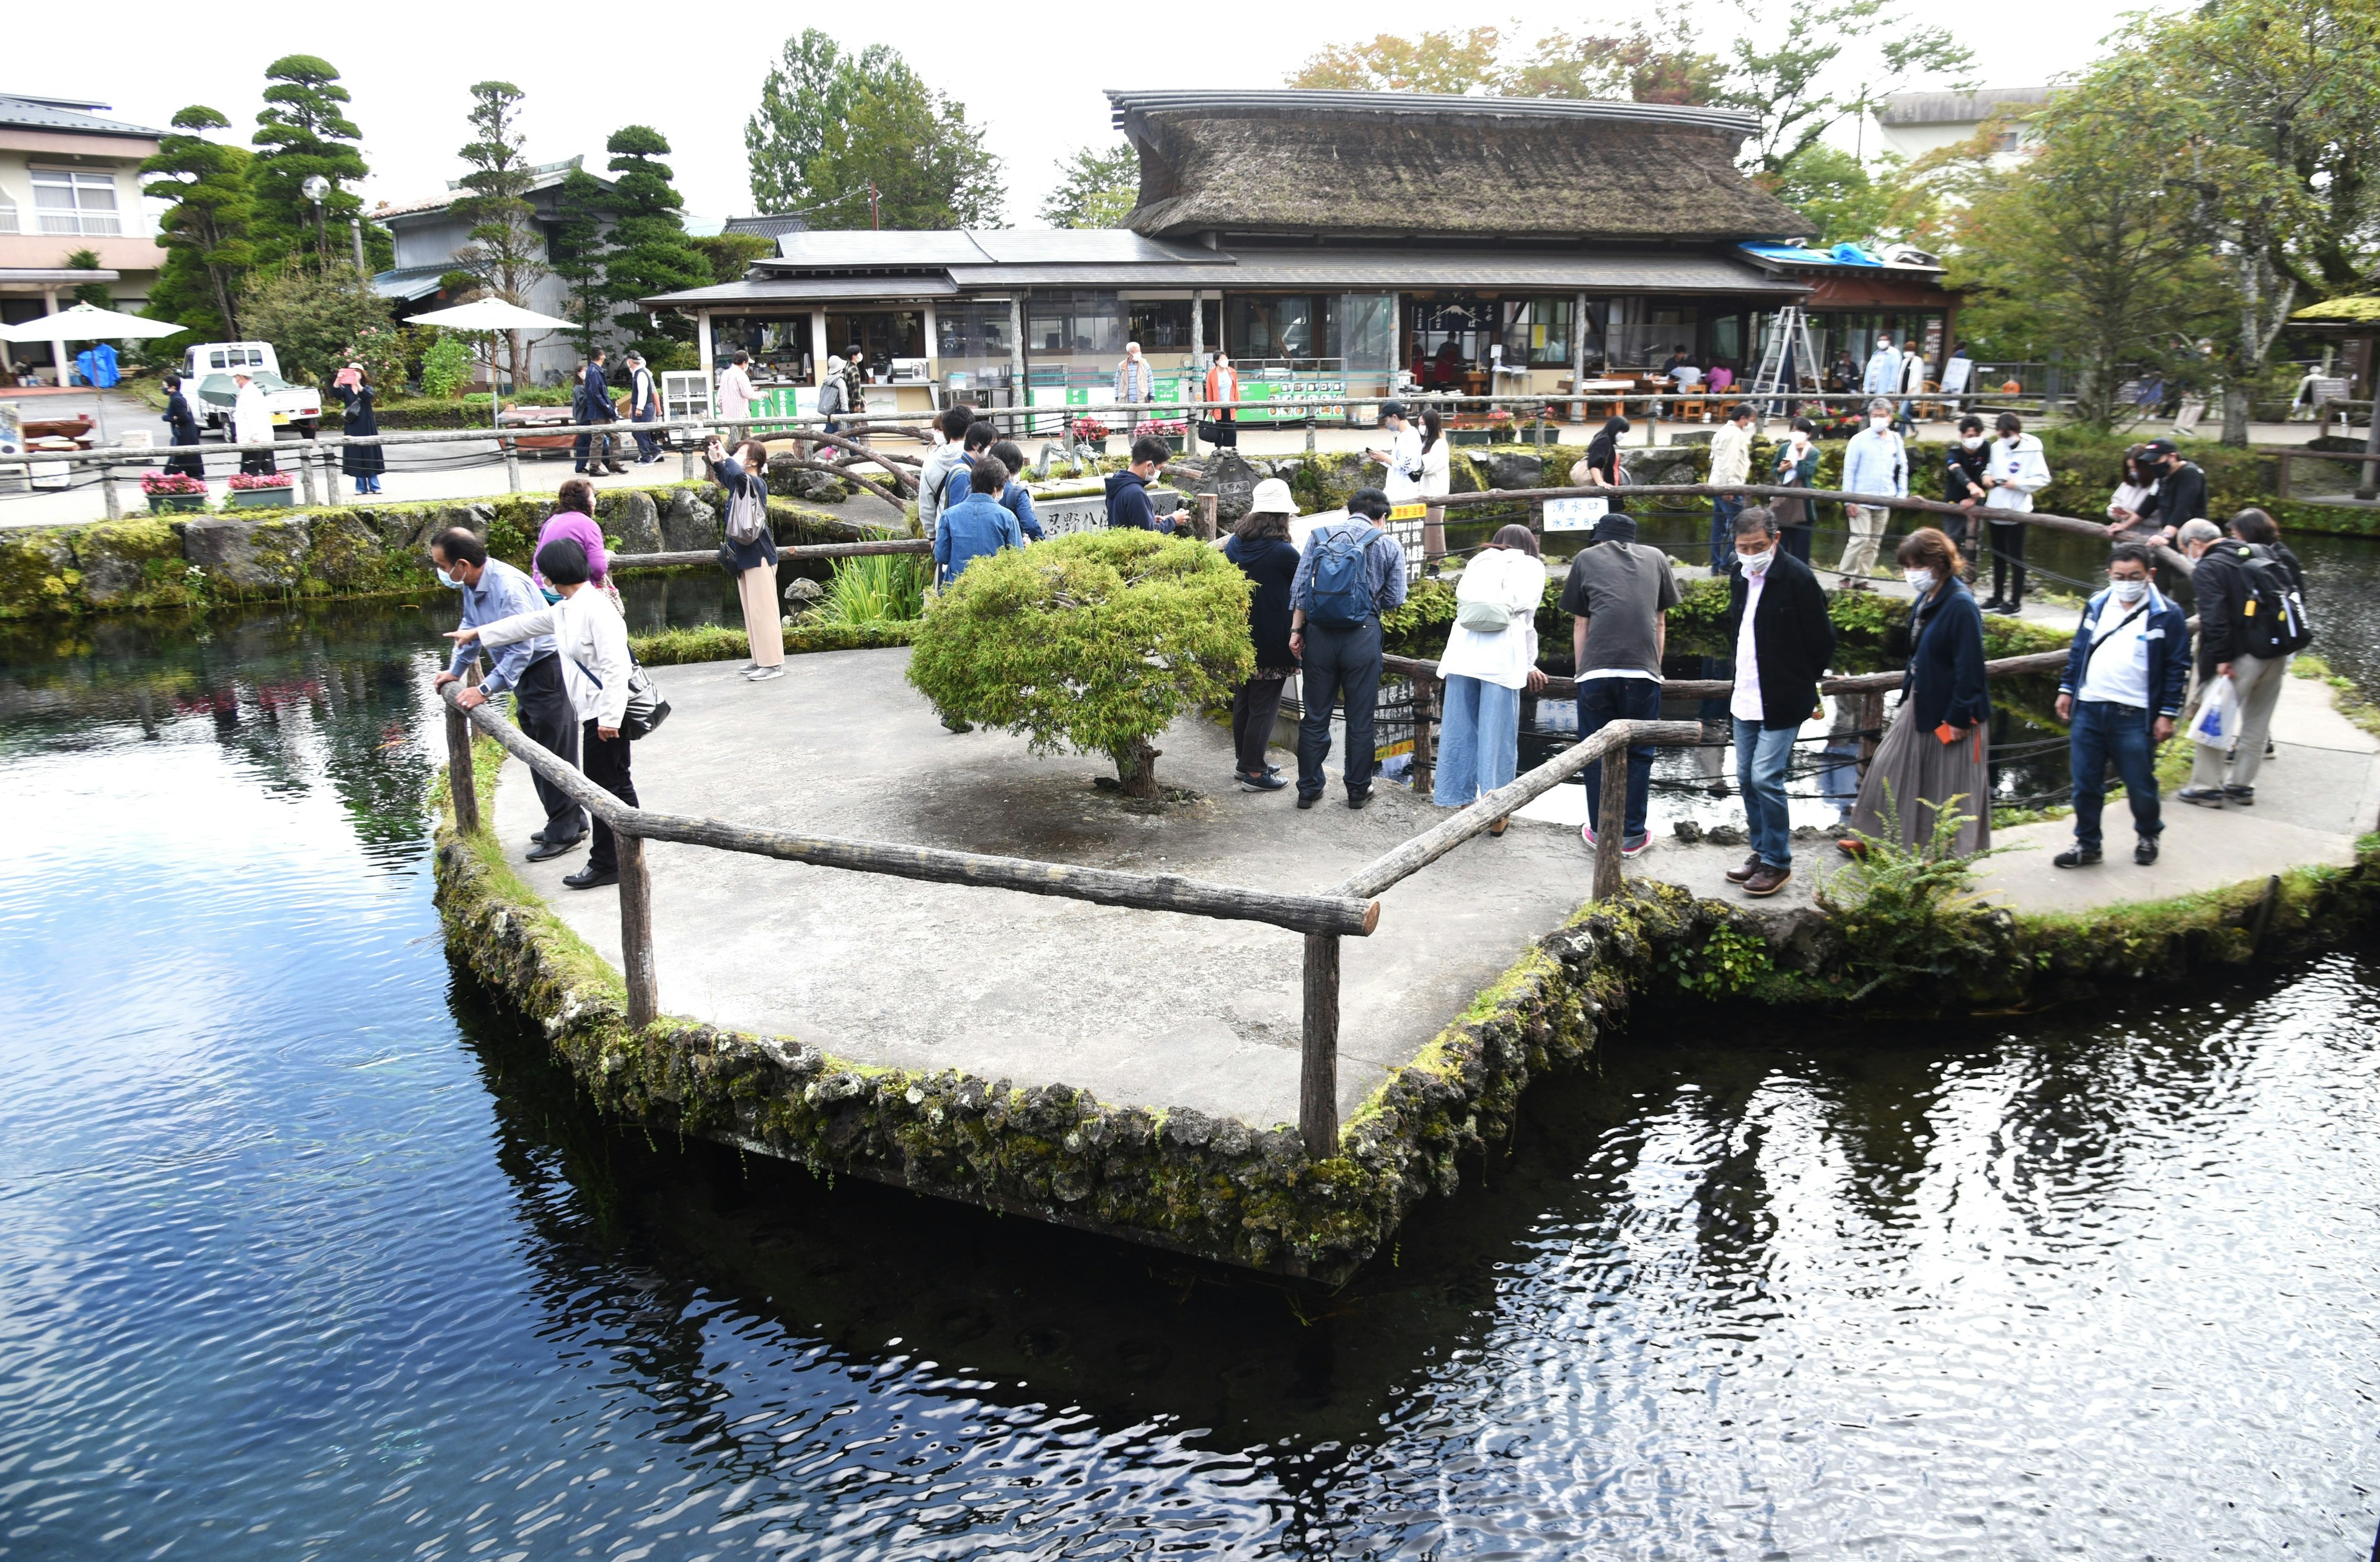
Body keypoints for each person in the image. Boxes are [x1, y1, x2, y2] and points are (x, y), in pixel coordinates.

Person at [450, 537, 637, 891]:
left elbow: (617, 667)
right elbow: (526, 625)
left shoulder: (596, 608)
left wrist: (610, 718)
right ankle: (617, 857)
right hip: (595, 713)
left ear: (553, 574)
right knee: (610, 784)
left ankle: (609, 862)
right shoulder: (568, 606)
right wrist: (478, 633)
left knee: (609, 787)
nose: (540, 578)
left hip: (606, 715)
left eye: (542, 572)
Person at [430, 526, 582, 860]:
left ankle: (566, 829)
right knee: (536, 747)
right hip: (525, 675)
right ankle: (569, 819)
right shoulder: (473, 584)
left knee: (553, 752)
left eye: (443, 567)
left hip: (545, 670)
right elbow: (471, 629)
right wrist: (455, 671)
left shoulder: (507, 588)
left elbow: (521, 650)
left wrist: (484, 689)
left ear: (463, 564)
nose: (442, 573)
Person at [1841, 528, 1991, 857]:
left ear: (1938, 563)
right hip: (1921, 699)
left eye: (1915, 565)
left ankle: (1943, 855)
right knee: (1887, 765)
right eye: (1906, 566)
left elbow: (1971, 668)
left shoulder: (1961, 606)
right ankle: (1875, 837)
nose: (1911, 573)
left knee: (1947, 784)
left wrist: (1958, 718)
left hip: (1953, 710)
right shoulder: (1929, 596)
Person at [1722, 506, 1835, 897]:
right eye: (1743, 547)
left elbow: (1823, 642)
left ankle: (1778, 862)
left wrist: (1799, 679)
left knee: (1766, 777)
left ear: (1776, 540)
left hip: (1783, 696)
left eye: (1758, 546)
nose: (1751, 553)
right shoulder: (1739, 577)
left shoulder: (1798, 579)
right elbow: (1737, 631)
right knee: (1744, 778)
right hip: (1746, 694)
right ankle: (1761, 849)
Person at [2053, 542, 2188, 868]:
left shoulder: (2167, 613)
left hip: (2135, 714)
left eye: (2134, 576)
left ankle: (2148, 835)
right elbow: (2079, 650)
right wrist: (2067, 688)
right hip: (2089, 707)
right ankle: (2088, 844)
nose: (2126, 581)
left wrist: (2167, 713)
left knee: (2140, 784)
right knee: (2085, 784)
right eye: (2119, 576)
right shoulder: (2097, 604)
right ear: (2109, 575)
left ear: (2150, 575)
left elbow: (2177, 667)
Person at [1561, 510, 1679, 855]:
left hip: (1596, 674)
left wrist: (1582, 672)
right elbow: (1659, 624)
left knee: (1595, 754)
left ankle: (1600, 831)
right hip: (1642, 674)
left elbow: (1581, 625)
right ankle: (1631, 836)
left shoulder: (1585, 558)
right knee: (1640, 755)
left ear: (1599, 539)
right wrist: (1654, 669)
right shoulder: (1656, 558)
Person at [1290, 487, 1409, 809]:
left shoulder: (1320, 537)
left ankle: (1308, 789)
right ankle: (1358, 790)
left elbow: (1300, 589)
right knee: (1360, 719)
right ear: (1382, 516)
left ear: (1350, 510)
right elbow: (1396, 598)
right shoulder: (1387, 543)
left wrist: (1296, 630)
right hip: (1362, 635)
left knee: (1315, 716)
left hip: (1319, 635)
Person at [2174, 516, 2304, 808]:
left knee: (2215, 717)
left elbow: (2215, 618)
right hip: (2276, 650)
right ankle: (2242, 786)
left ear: (2194, 544)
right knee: (2258, 722)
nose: (2186, 555)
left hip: (2239, 657)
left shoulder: (2209, 566)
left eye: (2183, 548)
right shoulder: (2261, 551)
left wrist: (2220, 658)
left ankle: (2206, 787)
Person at [1434, 525, 1549, 824]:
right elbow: (1526, 621)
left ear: (1499, 542)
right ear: (1528, 544)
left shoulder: (1479, 560)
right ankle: (1496, 812)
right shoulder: (1532, 566)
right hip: (1501, 658)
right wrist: (1530, 664)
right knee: (1497, 736)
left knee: (1460, 729)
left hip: (1462, 653)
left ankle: (1460, 802)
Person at [1224, 478, 1303, 791]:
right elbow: (1303, 592)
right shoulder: (1284, 552)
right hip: (1273, 640)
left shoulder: (1235, 543)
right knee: (1265, 707)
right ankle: (1255, 774)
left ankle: (1245, 762)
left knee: (1244, 700)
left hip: (1241, 636)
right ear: (1282, 516)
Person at [709, 436, 783, 682]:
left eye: (741, 453)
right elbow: (730, 478)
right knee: (752, 612)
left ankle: (773, 664)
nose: (737, 456)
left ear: (753, 460)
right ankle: (759, 659)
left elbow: (740, 478)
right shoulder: (742, 483)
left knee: (764, 612)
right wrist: (718, 462)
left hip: (759, 556)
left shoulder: (757, 483)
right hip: (745, 558)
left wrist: (728, 460)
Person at [1980, 410, 2051, 614]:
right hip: (1995, 507)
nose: (2005, 439)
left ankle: (2015, 601)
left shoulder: (2032, 450)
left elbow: (2043, 479)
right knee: (1997, 556)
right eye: (2001, 435)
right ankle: (1997, 597)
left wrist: (2018, 484)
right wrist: (1987, 477)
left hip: (2018, 510)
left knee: (2016, 556)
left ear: (2016, 431)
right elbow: (1990, 467)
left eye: (2007, 434)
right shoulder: (1996, 447)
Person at [1836, 397, 1908, 581]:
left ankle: (1862, 579)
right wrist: (1848, 499)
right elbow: (1849, 470)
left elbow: (1902, 467)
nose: (1878, 419)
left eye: (1882, 416)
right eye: (1875, 416)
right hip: (1861, 498)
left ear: (1890, 417)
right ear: (1869, 416)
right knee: (1859, 539)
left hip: (1885, 497)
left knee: (1874, 543)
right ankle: (1845, 576)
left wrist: (1901, 495)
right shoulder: (1859, 440)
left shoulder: (1896, 439)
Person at [933, 453, 1023, 588]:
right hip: (993, 592)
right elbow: (1017, 559)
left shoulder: (948, 516)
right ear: (995, 489)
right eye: (1002, 488)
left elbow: (941, 557)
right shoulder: (1008, 518)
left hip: (956, 592)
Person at [532, 477, 612, 604]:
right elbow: (598, 566)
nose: (595, 501)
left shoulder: (551, 520)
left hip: (543, 587)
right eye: (593, 496)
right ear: (584, 501)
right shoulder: (587, 524)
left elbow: (538, 556)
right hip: (569, 591)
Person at [1706, 401, 1757, 571]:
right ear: (1743, 419)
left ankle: (1716, 565)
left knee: (1719, 527)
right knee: (1739, 527)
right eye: (1751, 420)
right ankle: (1726, 564)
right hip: (1730, 486)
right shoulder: (1735, 434)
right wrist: (1729, 488)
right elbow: (1730, 461)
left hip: (1716, 484)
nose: (1751, 424)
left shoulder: (1722, 431)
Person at [917, 404, 976, 539]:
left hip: (944, 533)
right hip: (975, 532)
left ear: (946, 430)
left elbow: (926, 504)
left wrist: (931, 535)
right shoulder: (977, 458)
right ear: (970, 429)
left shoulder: (931, 461)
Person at [2131, 439, 2206, 545]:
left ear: (2172, 457)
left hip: (2189, 538)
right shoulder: (2165, 475)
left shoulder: (2190, 474)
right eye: (2150, 462)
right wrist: (2124, 525)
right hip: (2170, 534)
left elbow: (2183, 509)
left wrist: (2166, 536)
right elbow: (2149, 503)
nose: (2153, 465)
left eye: (2156, 460)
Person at [1770, 417, 1820, 563]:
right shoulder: (1784, 448)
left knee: (1801, 548)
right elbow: (1774, 469)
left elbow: (1807, 473)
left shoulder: (1813, 452)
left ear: (1809, 434)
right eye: (1793, 430)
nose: (1796, 434)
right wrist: (1781, 468)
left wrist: (1798, 457)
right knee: (1781, 544)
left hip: (1802, 502)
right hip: (1782, 497)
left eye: (1800, 431)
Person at [1942, 413, 1991, 562]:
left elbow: (1987, 472)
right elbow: (1957, 470)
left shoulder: (1986, 449)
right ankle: (1950, 575)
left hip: (1977, 501)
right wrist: (1972, 488)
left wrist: (1974, 498)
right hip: (1955, 501)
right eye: (1969, 436)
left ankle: (1969, 578)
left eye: (1976, 435)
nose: (1973, 439)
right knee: (1951, 542)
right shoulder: (1954, 453)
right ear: (1962, 435)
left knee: (1973, 542)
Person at [1104, 435, 1176, 532]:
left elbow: (1125, 521)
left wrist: (1150, 519)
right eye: (1160, 468)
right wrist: (1173, 521)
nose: (1159, 472)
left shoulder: (1117, 482)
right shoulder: (1136, 493)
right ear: (1149, 465)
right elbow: (1149, 534)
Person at [332, 363, 384, 496]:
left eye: (357, 372)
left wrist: (358, 384)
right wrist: (339, 379)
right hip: (352, 425)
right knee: (356, 454)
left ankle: (375, 485)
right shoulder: (346, 389)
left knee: (370, 453)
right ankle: (360, 487)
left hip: (367, 425)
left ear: (362, 374)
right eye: (352, 372)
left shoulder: (367, 388)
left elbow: (368, 396)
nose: (355, 374)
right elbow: (335, 393)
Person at [1366, 401, 1425, 509]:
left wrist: (1385, 459)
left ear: (1395, 417)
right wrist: (1381, 459)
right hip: (1394, 492)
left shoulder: (1411, 437)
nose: (1386, 424)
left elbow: (1407, 467)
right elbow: (1396, 461)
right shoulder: (1401, 435)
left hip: (1404, 494)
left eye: (1386, 420)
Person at [987, 440, 1046, 541]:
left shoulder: (978, 486)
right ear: (1016, 465)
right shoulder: (1018, 493)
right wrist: (1042, 543)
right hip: (1011, 550)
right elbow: (1031, 525)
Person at [2104, 444, 2160, 541]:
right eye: (2130, 468)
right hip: (2122, 540)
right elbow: (2115, 501)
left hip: (2146, 539)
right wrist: (2115, 511)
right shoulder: (2128, 483)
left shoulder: (2158, 486)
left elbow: (2160, 519)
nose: (2132, 471)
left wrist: (2132, 517)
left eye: (2135, 468)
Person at [941, 420, 998, 514]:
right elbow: (958, 515)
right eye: (991, 444)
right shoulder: (963, 475)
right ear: (975, 444)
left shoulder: (971, 468)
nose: (993, 449)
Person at [1416, 407, 1451, 559]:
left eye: (1423, 424)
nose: (1421, 427)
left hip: (1436, 493)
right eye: (1419, 424)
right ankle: (1424, 561)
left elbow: (1429, 467)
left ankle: (1435, 566)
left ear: (1431, 424)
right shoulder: (1425, 443)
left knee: (1434, 529)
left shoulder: (1440, 444)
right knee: (1424, 529)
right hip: (1423, 492)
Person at [160, 371, 205, 479]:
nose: (163, 388)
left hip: (185, 437)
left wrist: (168, 418)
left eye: (165, 386)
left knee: (188, 466)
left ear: (172, 388)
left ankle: (199, 490)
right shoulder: (176, 398)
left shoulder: (177, 399)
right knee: (182, 466)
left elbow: (185, 417)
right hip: (183, 435)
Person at [231, 368, 275, 475]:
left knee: (248, 472)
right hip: (262, 438)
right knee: (269, 470)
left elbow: (253, 416)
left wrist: (255, 436)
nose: (234, 379)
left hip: (254, 440)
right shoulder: (251, 391)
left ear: (240, 377)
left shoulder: (249, 393)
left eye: (235, 377)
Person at [1580, 416, 1629, 510]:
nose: (1623, 435)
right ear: (1615, 429)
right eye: (1622, 431)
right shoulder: (1604, 440)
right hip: (1607, 490)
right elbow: (1594, 463)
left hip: (1612, 488)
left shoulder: (1605, 440)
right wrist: (1600, 482)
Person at [625, 351, 661, 463]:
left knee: (641, 432)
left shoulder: (641, 373)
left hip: (643, 407)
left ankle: (647, 458)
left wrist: (640, 408)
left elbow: (643, 393)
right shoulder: (637, 373)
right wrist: (632, 408)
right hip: (641, 406)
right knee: (638, 432)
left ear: (631, 361)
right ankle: (655, 451)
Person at [1114, 341, 1153, 431]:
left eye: (1139, 350)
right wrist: (1117, 398)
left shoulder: (1145, 364)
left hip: (1143, 399)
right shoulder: (1121, 366)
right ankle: (1133, 445)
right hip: (1129, 400)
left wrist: (1152, 397)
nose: (1138, 353)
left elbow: (1150, 381)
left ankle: (1146, 445)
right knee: (1131, 427)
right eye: (1135, 351)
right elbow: (1117, 382)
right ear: (1129, 353)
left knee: (1146, 425)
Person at [1204, 350, 1240, 448]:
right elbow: (1209, 390)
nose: (1225, 361)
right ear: (1217, 361)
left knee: (1231, 426)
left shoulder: (1232, 372)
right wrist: (1210, 406)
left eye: (1226, 358)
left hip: (1230, 404)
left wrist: (1237, 402)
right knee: (1218, 426)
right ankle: (1218, 448)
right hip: (1218, 405)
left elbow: (1236, 388)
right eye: (1222, 359)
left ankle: (1232, 447)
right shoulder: (1211, 374)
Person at [716, 350, 756, 427]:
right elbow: (750, 395)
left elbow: (720, 397)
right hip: (740, 417)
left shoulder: (725, 373)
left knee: (746, 439)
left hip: (728, 417)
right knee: (736, 438)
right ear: (744, 363)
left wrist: (724, 412)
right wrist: (763, 394)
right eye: (748, 363)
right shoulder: (741, 375)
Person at [1861, 335, 1901, 399]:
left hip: (1884, 391)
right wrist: (1865, 387)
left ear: (1889, 341)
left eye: (1884, 340)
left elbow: (1895, 372)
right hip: (1871, 389)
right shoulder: (1876, 354)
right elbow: (1868, 372)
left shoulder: (1894, 353)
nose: (1882, 342)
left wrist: (1891, 389)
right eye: (1880, 340)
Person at [816, 356, 847, 435]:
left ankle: (827, 447)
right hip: (839, 411)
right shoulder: (840, 381)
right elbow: (843, 398)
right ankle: (854, 448)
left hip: (830, 410)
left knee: (830, 433)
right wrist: (846, 413)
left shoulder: (827, 380)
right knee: (847, 434)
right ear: (840, 368)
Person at [841, 346, 868, 417]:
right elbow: (855, 389)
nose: (861, 354)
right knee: (859, 426)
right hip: (853, 405)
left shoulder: (847, 367)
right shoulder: (854, 370)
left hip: (848, 403)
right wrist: (858, 404)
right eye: (859, 353)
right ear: (854, 356)